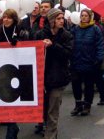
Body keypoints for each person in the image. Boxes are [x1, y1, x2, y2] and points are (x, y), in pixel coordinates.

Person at [34, 8, 73, 139]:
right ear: (51, 20)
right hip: (42, 78)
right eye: (58, 18)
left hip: (58, 78)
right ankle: (49, 130)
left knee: (53, 110)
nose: (62, 21)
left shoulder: (66, 35)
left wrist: (54, 45)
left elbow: (68, 54)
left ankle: (50, 135)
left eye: (62, 18)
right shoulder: (40, 34)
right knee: (44, 109)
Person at [0, 9, 24, 139]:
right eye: (4, 17)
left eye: (9, 18)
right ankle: (12, 125)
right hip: (3, 68)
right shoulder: (0, 30)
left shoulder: (20, 29)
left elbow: (28, 42)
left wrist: (19, 41)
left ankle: (12, 126)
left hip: (17, 67)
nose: (6, 20)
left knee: (14, 97)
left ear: (14, 19)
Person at [69, 9, 104, 116]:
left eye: (85, 16)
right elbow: (70, 41)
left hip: (90, 62)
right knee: (76, 84)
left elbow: (100, 45)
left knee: (89, 85)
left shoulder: (95, 29)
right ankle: (78, 104)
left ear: (90, 17)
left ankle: (87, 105)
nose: (83, 17)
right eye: (82, 15)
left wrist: (98, 59)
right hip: (76, 61)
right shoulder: (75, 29)